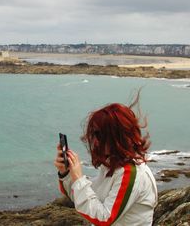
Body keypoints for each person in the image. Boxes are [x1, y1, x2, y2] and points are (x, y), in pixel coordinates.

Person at [54, 96, 157, 226]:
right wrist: (67, 174)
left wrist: (79, 179)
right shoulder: (113, 166)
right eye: (94, 134)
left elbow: (104, 218)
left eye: (98, 134)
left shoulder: (130, 173)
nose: (95, 141)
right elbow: (86, 201)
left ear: (117, 137)